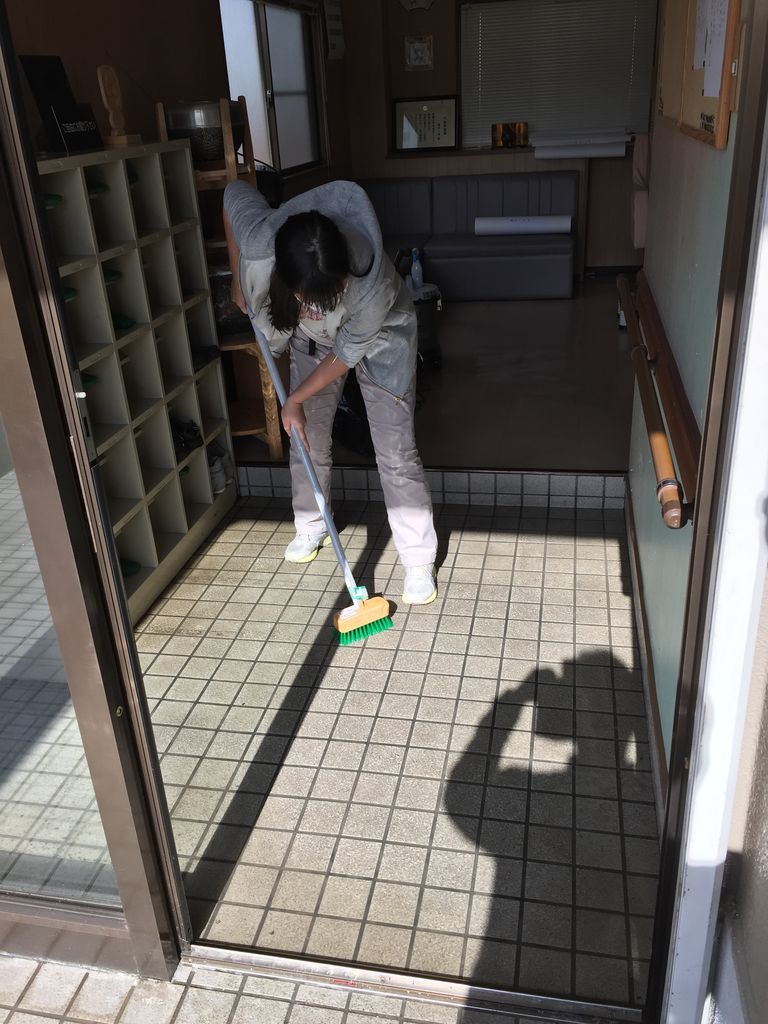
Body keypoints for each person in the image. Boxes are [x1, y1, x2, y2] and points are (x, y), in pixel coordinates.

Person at [223, 180, 438, 605]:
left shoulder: (370, 281)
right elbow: (232, 196)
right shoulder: (263, 240)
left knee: (395, 450)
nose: (316, 306)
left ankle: (417, 559)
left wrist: (295, 399)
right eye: (305, 298)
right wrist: (236, 275)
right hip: (313, 341)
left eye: (330, 295)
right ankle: (311, 524)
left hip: (382, 339)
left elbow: (344, 355)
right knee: (306, 435)